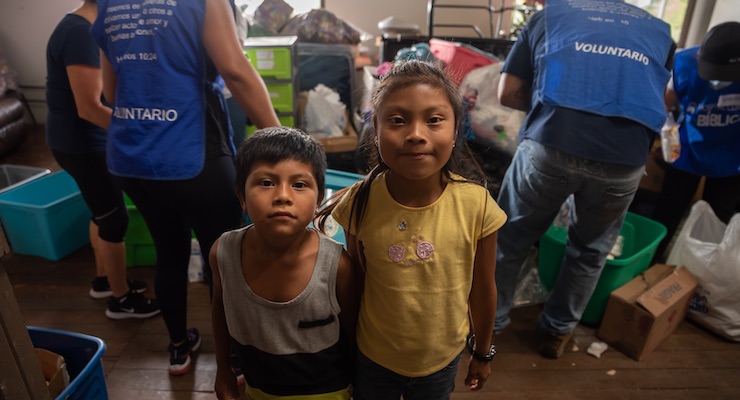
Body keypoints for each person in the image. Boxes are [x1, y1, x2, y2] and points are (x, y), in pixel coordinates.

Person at [91, 0, 281, 375]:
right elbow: (235, 70)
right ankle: (235, 357)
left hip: (131, 155)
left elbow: (110, 94)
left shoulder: (109, 3)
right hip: (190, 152)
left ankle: (178, 347)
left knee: (170, 251)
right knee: (224, 262)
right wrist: (285, 138)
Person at [494, 0, 675, 359]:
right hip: (626, 159)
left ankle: (489, 324)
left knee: (509, 237)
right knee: (590, 252)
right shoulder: (659, 30)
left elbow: (507, 93)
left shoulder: (550, 16)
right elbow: (661, 97)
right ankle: (557, 333)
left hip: (554, 143)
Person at [318, 60, 507, 399]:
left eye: (434, 120)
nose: (416, 134)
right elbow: (354, 285)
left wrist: (482, 352)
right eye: (397, 120)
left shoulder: (476, 206)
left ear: (455, 128)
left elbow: (483, 289)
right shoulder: (360, 202)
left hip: (441, 360)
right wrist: (346, 347)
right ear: (374, 131)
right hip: (373, 356)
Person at [210, 127, 356, 400]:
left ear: (318, 201)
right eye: (266, 183)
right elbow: (220, 308)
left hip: (329, 393)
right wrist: (223, 369)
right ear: (242, 196)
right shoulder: (223, 253)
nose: (283, 196)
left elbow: (353, 332)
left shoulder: (337, 265)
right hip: (258, 390)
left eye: (299, 185)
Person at [45, 0, 159, 319]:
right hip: (81, 144)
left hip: (80, 140)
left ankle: (105, 282)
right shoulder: (80, 32)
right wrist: (140, 135)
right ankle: (121, 300)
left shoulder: (85, 26)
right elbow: (90, 107)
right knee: (114, 218)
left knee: (101, 212)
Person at [651, 21, 740, 262]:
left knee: (714, 222)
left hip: (731, 157)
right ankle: (649, 266)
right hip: (687, 150)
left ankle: (695, 276)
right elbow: (665, 103)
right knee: (667, 213)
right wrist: (667, 131)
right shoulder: (686, 62)